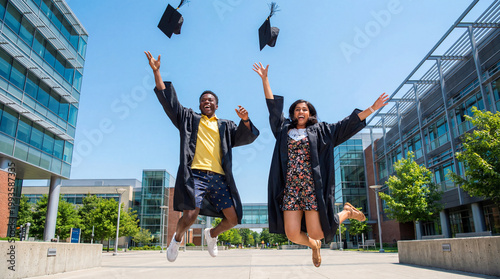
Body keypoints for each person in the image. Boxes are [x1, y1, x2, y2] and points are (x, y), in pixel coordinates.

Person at [253, 62, 389, 267]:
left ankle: (347, 213)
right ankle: (314, 246)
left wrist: (372, 108)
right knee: (292, 234)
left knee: (319, 232)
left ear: (310, 113)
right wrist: (265, 80)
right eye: (297, 109)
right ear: (292, 113)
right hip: (290, 189)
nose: (301, 111)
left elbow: (345, 125)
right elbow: (273, 109)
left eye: (304, 109)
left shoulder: (321, 130)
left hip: (311, 188)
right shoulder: (283, 130)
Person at [145, 51, 260, 262]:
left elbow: (245, 137)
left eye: (211, 100)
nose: (207, 102)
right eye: (203, 100)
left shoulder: (225, 126)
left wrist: (245, 121)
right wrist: (157, 71)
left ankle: (212, 234)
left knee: (233, 219)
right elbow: (168, 101)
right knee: (189, 215)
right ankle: (177, 239)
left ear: (217, 105)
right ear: (199, 105)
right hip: (195, 175)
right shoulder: (188, 119)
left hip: (218, 178)